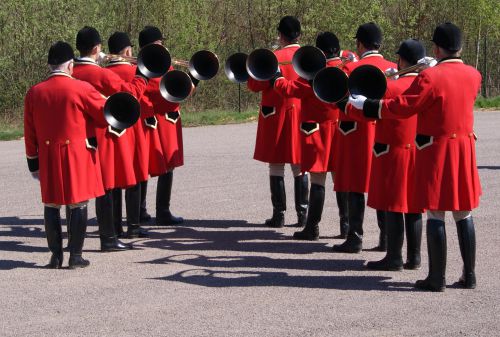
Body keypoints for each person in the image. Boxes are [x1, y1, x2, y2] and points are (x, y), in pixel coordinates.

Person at [350, 22, 481, 291]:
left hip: (437, 150)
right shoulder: (473, 74)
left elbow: (405, 106)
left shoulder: (430, 77)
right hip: (465, 149)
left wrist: (371, 106)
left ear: (436, 47)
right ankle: (469, 275)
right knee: (463, 213)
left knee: (436, 212)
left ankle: (437, 278)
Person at [24, 41, 110, 268]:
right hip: (76, 154)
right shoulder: (81, 88)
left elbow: (29, 131)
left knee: (51, 205)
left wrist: (33, 162)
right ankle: (75, 256)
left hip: (49, 155)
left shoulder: (34, 92)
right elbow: (104, 115)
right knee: (78, 203)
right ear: (70, 65)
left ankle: (55, 256)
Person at [345, 39, 426, 270]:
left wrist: (348, 106)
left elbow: (369, 114)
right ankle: (415, 257)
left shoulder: (391, 86)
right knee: (414, 205)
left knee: (393, 204)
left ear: (402, 60)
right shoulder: (425, 84)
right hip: (417, 151)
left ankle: (394, 257)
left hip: (392, 150)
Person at [72, 26, 149, 243]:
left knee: (101, 184)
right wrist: (142, 75)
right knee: (110, 182)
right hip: (106, 132)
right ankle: (110, 236)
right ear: (97, 48)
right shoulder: (100, 73)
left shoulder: (71, 72)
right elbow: (131, 94)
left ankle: (111, 230)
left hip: (83, 135)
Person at [332, 22, 397, 254]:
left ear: (360, 44)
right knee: (380, 185)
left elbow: (338, 98)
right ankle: (387, 238)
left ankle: (355, 237)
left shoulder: (350, 67)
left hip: (356, 132)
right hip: (382, 133)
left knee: (354, 184)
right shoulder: (394, 68)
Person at [273, 32, 344, 240]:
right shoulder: (346, 68)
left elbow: (291, 89)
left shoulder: (316, 73)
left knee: (318, 179)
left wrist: (277, 77)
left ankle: (312, 227)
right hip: (340, 130)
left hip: (317, 132)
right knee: (341, 180)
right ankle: (346, 226)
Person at [247, 15, 308, 228]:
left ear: (281, 35)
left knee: (276, 164)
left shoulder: (273, 56)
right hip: (301, 113)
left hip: (274, 115)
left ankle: (279, 215)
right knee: (299, 165)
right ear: (299, 35)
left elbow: (255, 86)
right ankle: (303, 214)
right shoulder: (308, 56)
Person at [138, 26, 186, 226]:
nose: (162, 46)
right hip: (162, 118)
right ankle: (162, 211)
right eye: (159, 43)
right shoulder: (151, 66)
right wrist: (191, 83)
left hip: (160, 117)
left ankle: (141, 210)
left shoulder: (157, 64)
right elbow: (170, 90)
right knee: (164, 164)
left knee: (153, 165)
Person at [105, 31, 152, 239]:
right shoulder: (135, 71)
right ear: (127, 51)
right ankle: (133, 226)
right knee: (135, 176)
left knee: (114, 178)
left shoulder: (103, 72)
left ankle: (116, 227)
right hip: (134, 129)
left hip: (111, 130)